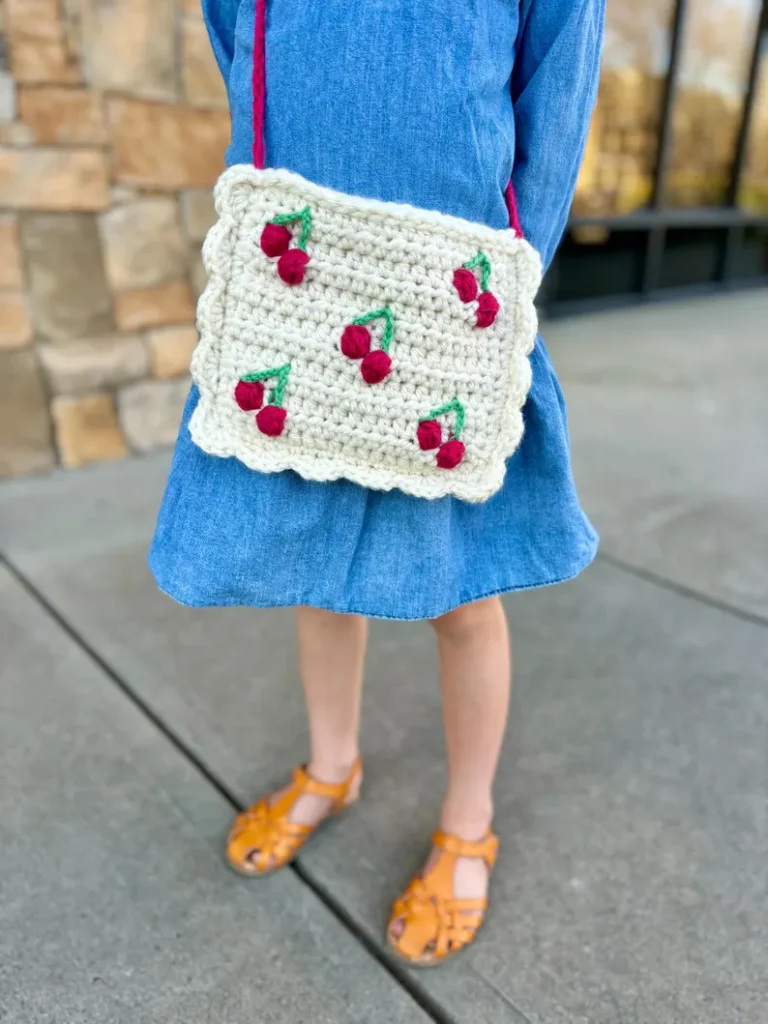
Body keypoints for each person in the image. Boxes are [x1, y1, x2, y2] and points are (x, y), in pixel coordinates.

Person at [150, 0, 603, 967]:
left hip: (449, 291)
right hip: (304, 270)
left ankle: (468, 820)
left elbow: (558, 91)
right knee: (315, 566)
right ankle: (333, 764)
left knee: (464, 590)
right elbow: (241, 34)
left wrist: (500, 283)